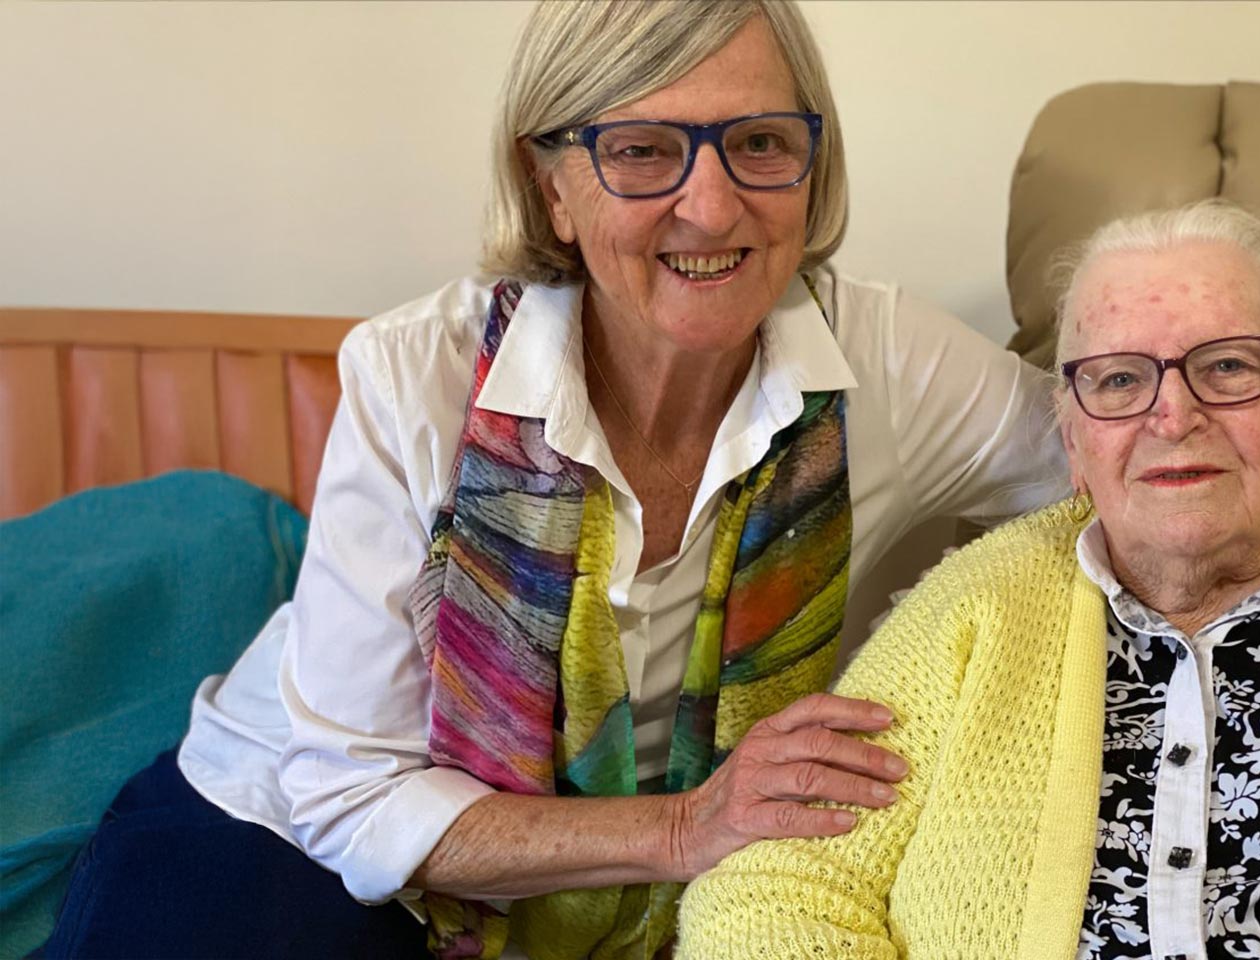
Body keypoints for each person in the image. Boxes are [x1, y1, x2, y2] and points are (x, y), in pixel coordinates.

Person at [43, 2, 1070, 958]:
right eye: (641, 150)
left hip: (635, 887)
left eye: (760, 142)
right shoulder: (416, 374)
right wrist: (684, 828)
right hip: (286, 830)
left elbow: (1120, 472)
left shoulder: (889, 365)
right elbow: (348, 797)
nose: (710, 207)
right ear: (552, 188)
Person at [675, 202, 1260, 960]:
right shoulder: (969, 614)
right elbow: (768, 890)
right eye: (1117, 381)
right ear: (1072, 439)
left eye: (1229, 366)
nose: (1173, 415)